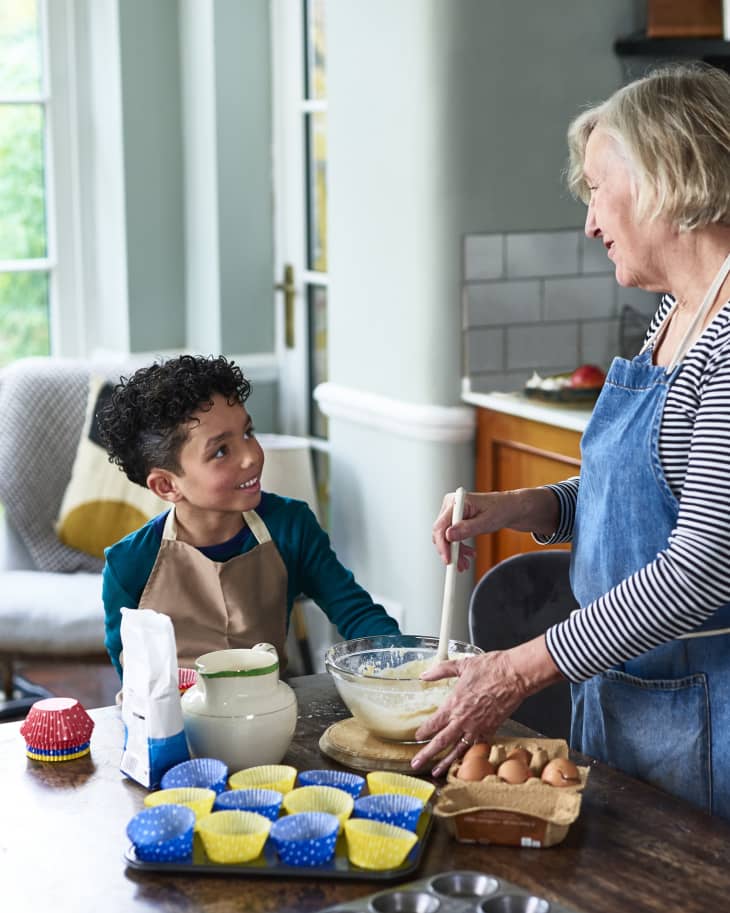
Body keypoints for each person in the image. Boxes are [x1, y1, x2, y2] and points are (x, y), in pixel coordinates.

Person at [411, 63, 730, 819]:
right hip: (626, 704)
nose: (589, 221)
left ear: (665, 177)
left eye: (596, 188)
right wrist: (522, 505)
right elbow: (641, 496)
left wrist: (517, 670)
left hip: (709, 721)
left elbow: (702, 569)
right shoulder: (676, 317)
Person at [98, 354, 399, 679]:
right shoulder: (128, 563)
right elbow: (129, 665)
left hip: (266, 714)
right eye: (221, 451)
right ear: (167, 485)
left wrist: (404, 661)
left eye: (248, 432)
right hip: (173, 723)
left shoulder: (291, 527)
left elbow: (355, 613)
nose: (251, 456)